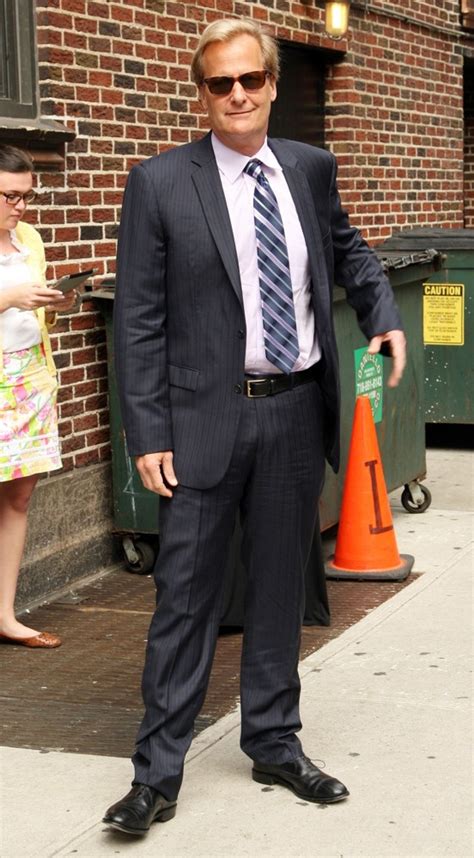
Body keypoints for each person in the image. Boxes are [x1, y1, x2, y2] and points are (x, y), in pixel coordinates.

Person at [105, 18, 406, 836]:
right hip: (202, 418)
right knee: (186, 600)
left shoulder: (310, 168)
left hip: (294, 412)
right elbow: (136, 319)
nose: (236, 95)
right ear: (201, 94)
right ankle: (156, 775)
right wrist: (148, 433)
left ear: (272, 84)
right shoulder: (160, 182)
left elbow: (348, 250)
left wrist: (384, 314)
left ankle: (273, 740)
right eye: (218, 84)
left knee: (280, 589)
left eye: (250, 80)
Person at [0, 144, 76, 649]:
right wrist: (10, 297)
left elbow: (31, 312)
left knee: (19, 496)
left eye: (27, 196)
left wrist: (52, 299)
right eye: (9, 195)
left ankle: (4, 613)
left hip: (29, 378)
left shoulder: (28, 237)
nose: (20, 206)